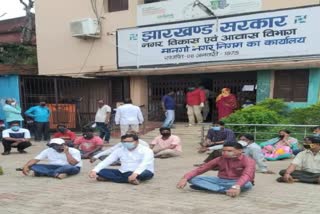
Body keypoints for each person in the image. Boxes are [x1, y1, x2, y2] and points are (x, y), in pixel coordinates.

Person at [177, 142, 255, 197]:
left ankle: (212, 188)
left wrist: (236, 186)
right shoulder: (220, 159)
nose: (225, 153)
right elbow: (201, 169)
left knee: (247, 184)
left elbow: (246, 175)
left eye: (229, 151)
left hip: (237, 181)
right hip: (220, 180)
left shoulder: (248, 161)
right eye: (223, 151)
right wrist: (185, 178)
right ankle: (224, 190)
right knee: (192, 179)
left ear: (240, 151)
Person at [89, 133, 154, 185]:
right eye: (124, 142)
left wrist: (135, 173)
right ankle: (128, 180)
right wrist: (95, 170)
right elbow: (108, 160)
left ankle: (111, 178)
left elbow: (144, 163)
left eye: (129, 142)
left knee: (146, 174)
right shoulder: (120, 150)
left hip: (142, 171)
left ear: (136, 142)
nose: (126, 143)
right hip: (123, 171)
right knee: (100, 171)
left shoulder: (146, 150)